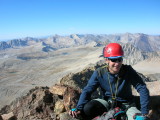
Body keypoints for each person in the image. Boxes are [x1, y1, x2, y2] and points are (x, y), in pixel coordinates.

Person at [69, 43, 150, 120]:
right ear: (106, 60)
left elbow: (142, 88)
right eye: (114, 60)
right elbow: (87, 90)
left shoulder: (128, 71)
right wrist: (78, 108)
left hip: (127, 105)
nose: (117, 63)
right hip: (107, 103)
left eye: (120, 59)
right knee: (88, 109)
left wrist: (144, 112)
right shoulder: (99, 73)